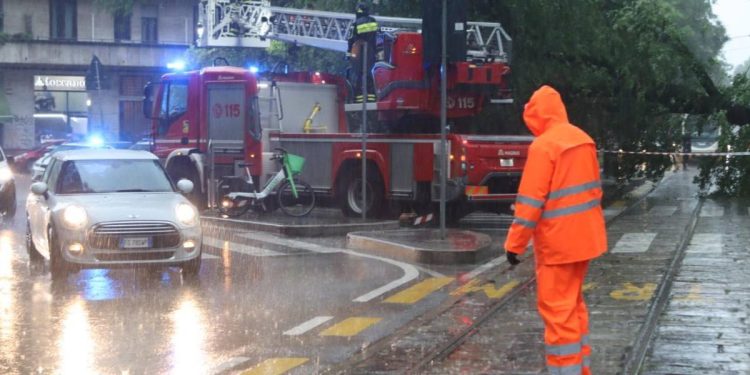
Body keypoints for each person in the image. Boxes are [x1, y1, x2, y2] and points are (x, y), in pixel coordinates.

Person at [504, 85, 607, 375]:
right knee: (574, 309)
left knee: (558, 315)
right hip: (586, 241)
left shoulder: (544, 146)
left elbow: (529, 203)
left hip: (558, 245)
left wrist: (515, 245)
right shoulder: (583, 140)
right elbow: (593, 193)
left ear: (536, 115)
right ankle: (581, 370)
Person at [348, 2, 378, 103]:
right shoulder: (373, 21)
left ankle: (358, 98)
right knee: (370, 75)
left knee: (358, 75)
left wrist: (349, 56)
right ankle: (371, 97)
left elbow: (351, 40)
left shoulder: (356, 24)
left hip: (359, 55)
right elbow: (376, 37)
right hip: (371, 53)